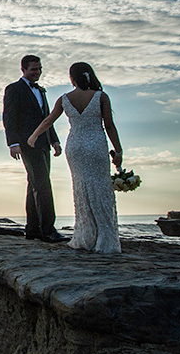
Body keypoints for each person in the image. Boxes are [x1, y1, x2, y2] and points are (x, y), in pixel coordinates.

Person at [28, 62, 124, 253]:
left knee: (81, 188)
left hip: (76, 146)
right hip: (96, 144)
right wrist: (119, 151)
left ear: (72, 78)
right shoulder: (101, 96)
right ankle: (104, 239)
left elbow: (48, 120)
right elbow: (110, 125)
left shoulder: (65, 99)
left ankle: (85, 236)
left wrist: (34, 135)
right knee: (100, 187)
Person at [3, 55, 66, 242]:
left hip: (44, 142)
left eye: (39, 69)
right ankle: (48, 230)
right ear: (23, 70)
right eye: (33, 69)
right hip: (26, 143)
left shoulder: (41, 91)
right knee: (43, 184)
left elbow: (47, 118)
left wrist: (54, 140)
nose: (37, 72)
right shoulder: (14, 89)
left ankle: (32, 229)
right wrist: (13, 143)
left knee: (34, 185)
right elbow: (9, 116)